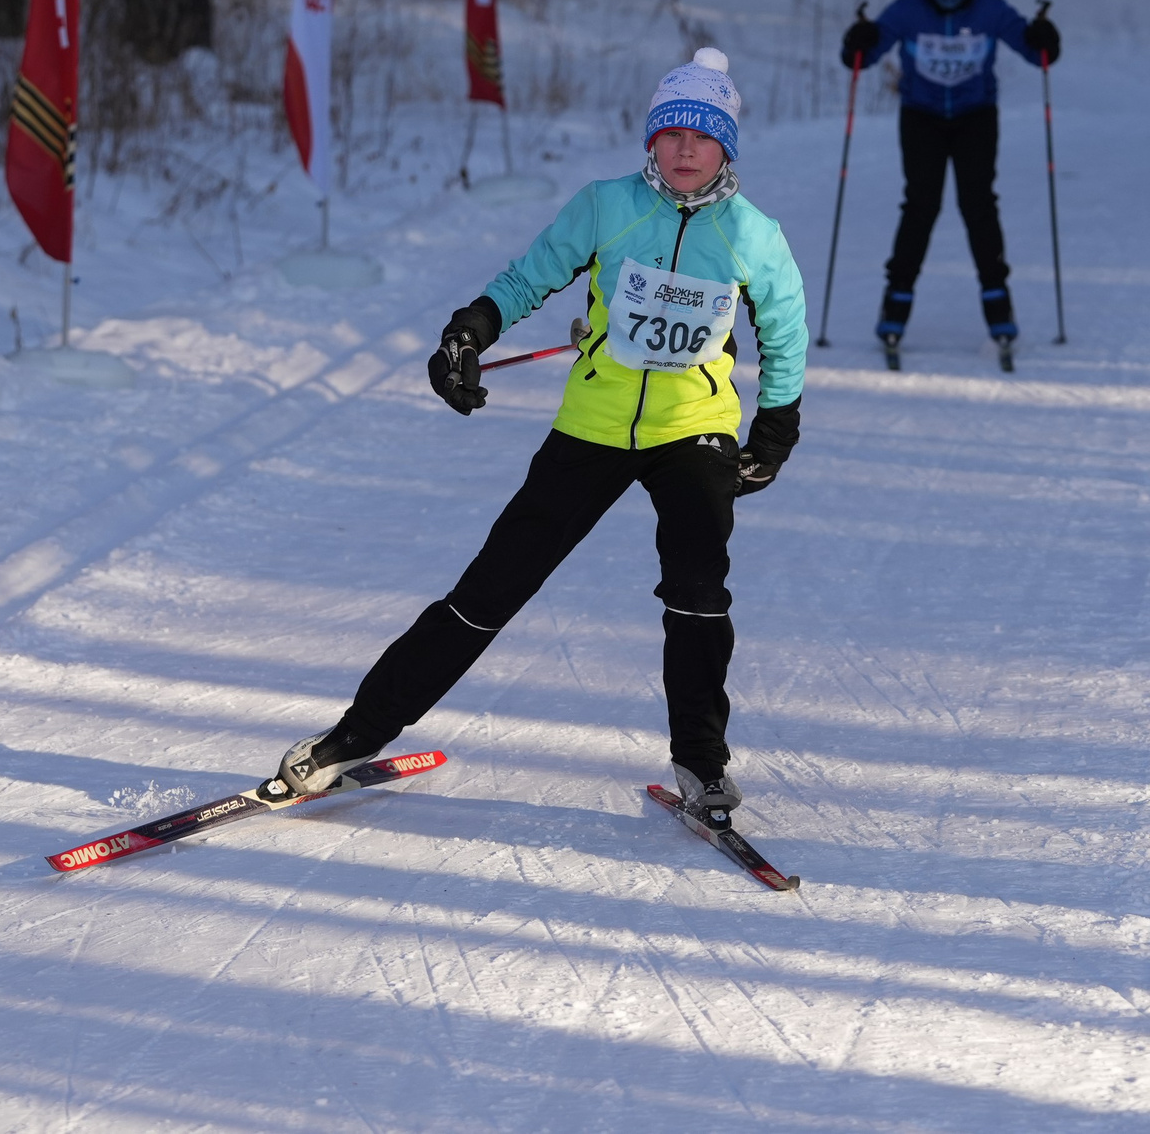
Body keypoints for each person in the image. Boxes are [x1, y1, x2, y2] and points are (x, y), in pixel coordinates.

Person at [264, 49, 807, 821]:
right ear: (651, 141)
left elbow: (785, 331)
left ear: (726, 148)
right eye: (672, 133)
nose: (686, 149)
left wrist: (775, 430)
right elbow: (528, 276)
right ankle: (352, 737)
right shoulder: (606, 206)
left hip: (694, 430)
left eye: (704, 136)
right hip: (591, 423)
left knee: (697, 595)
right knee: (491, 588)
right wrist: (468, 333)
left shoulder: (754, 234)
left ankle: (702, 766)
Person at [839, 0, 1061, 365]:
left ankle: (998, 304)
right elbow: (860, 57)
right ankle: (895, 303)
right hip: (921, 117)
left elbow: (1038, 55)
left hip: (975, 116)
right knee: (921, 205)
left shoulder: (991, 11)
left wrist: (1044, 38)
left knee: (978, 203)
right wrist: (857, 41)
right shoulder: (907, 11)